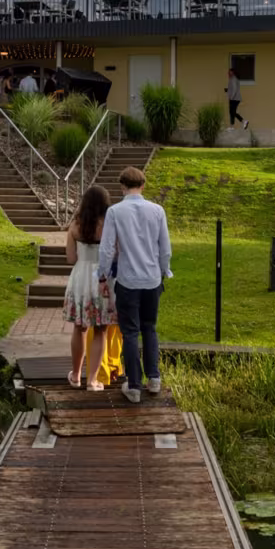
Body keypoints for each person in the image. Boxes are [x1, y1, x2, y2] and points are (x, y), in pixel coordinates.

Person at [96, 166, 171, 403]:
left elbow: (107, 248)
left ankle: (134, 386)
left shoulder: (115, 212)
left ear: (122, 186)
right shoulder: (157, 211)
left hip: (128, 280)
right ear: (143, 185)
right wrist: (162, 272)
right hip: (151, 279)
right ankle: (154, 378)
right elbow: (165, 249)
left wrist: (102, 275)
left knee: (130, 332)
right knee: (150, 328)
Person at [62, 185, 116, 391]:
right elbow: (116, 254)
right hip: (102, 279)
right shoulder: (109, 226)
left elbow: (71, 258)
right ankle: (92, 380)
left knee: (79, 327)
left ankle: (75, 376)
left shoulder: (75, 226)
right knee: (101, 329)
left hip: (81, 278)